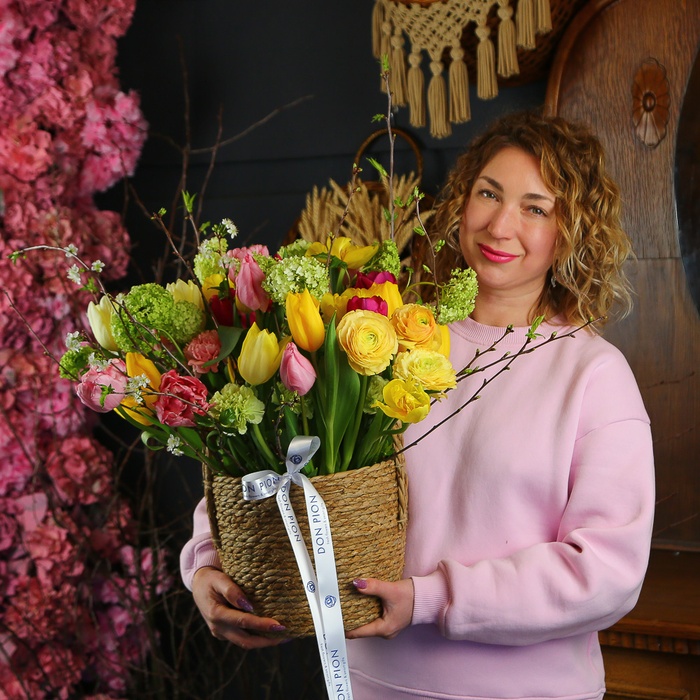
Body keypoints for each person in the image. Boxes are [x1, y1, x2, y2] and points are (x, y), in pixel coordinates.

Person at [180, 110, 655, 700]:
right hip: (369, 682)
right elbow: (276, 460)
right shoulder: (384, 333)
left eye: (536, 208)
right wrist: (205, 563)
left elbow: (607, 573)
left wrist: (433, 598)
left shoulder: (594, 375)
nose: (500, 225)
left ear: (573, 230)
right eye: (489, 194)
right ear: (462, 200)